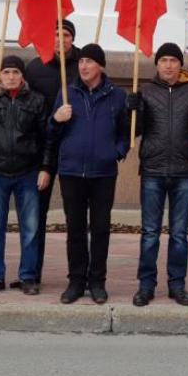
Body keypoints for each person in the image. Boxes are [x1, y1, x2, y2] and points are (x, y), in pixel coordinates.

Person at [128, 42, 188, 307]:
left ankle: (177, 285)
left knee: (179, 233)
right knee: (150, 232)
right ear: (157, 64)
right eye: (163, 60)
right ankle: (146, 284)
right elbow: (134, 131)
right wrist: (131, 109)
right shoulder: (145, 91)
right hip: (153, 171)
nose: (168, 65)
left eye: (173, 60)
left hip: (183, 171)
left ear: (181, 65)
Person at [42, 43, 128, 305]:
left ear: (100, 66)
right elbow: (51, 133)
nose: (83, 66)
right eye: (81, 62)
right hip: (71, 171)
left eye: (89, 62)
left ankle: (97, 281)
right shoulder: (68, 93)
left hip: (103, 172)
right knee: (75, 228)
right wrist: (56, 118)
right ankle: (76, 280)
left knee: (100, 228)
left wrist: (117, 151)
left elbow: (126, 131)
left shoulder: (117, 95)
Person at [0, 55, 46, 296]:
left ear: (22, 76)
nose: (11, 77)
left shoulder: (36, 101)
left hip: (28, 171)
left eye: (15, 72)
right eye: (6, 72)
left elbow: (46, 138)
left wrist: (45, 167)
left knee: (31, 228)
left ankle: (28, 277)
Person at [24, 18, 79, 284]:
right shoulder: (35, 68)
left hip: (74, 149)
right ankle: (32, 273)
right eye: (56, 34)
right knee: (36, 214)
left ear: (72, 39)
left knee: (75, 217)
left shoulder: (84, 65)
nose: (61, 39)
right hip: (41, 150)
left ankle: (78, 276)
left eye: (66, 35)